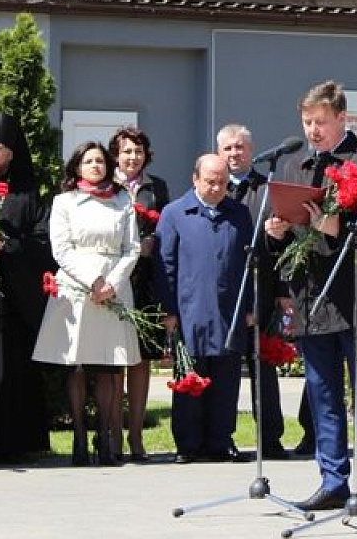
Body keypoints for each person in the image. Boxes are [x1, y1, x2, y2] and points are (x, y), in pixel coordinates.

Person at [266, 81, 357, 514]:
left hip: (355, 297)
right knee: (322, 395)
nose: (313, 130)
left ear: (342, 117)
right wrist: (277, 232)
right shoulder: (294, 163)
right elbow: (287, 232)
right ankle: (333, 480)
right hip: (311, 298)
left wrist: (334, 226)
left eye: (320, 122)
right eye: (307, 122)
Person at [32, 141, 142, 466]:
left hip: (114, 285)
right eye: (88, 161)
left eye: (100, 161)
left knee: (109, 364)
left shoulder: (122, 200)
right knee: (78, 364)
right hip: (77, 285)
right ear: (77, 167)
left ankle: (107, 438)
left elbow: (132, 248)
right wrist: (93, 281)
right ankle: (79, 437)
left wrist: (112, 283)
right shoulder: (65, 202)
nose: (95, 166)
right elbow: (61, 249)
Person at [0, 113, 54, 462]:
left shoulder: (27, 194)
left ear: (12, 154)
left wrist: (11, 247)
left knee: (14, 368)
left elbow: (44, 241)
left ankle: (14, 443)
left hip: (15, 299)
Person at [156, 154, 252, 463]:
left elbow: (249, 264)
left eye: (223, 182)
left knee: (226, 382)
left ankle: (220, 440)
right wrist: (169, 311)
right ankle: (188, 444)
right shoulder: (174, 214)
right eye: (211, 181)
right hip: (190, 310)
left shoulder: (239, 214)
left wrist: (248, 306)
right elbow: (165, 266)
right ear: (195, 179)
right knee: (190, 380)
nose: (217, 188)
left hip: (228, 311)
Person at [217, 123, 288, 460]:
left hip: (261, 290)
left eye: (240, 147)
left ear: (251, 149)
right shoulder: (214, 188)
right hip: (224, 296)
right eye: (228, 148)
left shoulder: (268, 189)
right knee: (227, 371)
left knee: (264, 367)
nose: (234, 153)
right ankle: (224, 438)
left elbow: (289, 244)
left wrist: (279, 236)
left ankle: (270, 440)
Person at [110, 126, 169, 463]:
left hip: (145, 281)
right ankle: (113, 434)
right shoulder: (106, 186)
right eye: (126, 151)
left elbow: (166, 229)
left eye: (138, 151)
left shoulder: (156, 187)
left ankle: (136, 436)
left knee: (142, 359)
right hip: (115, 282)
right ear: (115, 155)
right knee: (117, 359)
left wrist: (152, 245)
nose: (132, 157)